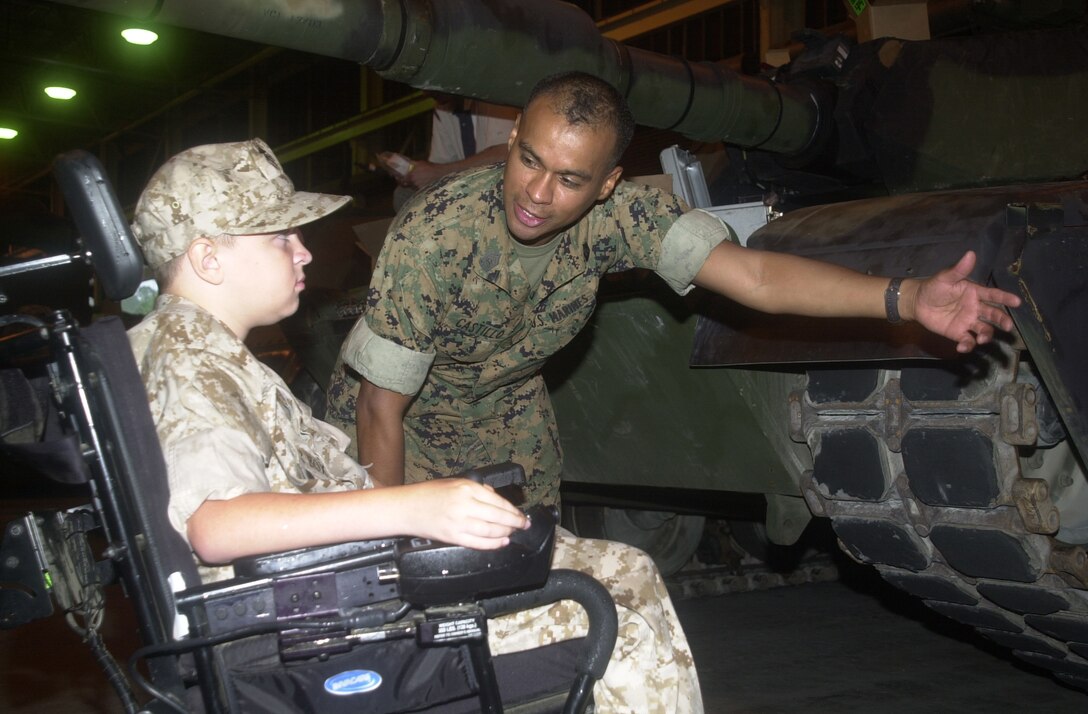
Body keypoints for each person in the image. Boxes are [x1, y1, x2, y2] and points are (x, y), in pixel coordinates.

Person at [126, 138, 703, 713]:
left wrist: (418, 514)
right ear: (207, 258)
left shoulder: (206, 352)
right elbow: (215, 525)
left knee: (630, 566)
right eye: (280, 237)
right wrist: (413, 507)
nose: (303, 252)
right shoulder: (187, 360)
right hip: (333, 626)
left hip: (345, 586)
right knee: (616, 627)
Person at [325, 71, 1023, 508]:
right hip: (405, 416)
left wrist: (902, 298)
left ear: (606, 186)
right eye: (529, 161)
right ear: (509, 148)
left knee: (523, 579)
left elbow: (753, 275)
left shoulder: (620, 219)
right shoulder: (437, 238)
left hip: (507, 408)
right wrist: (388, 536)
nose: (536, 194)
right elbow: (380, 410)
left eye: (569, 179)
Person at [380, 94, 518, 209]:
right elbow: (439, 165)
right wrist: (415, 174)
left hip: (499, 192)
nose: (426, 91)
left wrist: (437, 172)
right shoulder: (443, 107)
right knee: (404, 194)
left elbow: (505, 154)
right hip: (468, 189)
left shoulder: (489, 94)